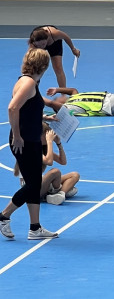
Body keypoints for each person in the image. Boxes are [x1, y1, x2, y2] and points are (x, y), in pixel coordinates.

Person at [0, 48, 59, 240]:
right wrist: (17, 136)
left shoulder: (28, 81)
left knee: (33, 183)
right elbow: (12, 108)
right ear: (44, 65)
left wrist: (45, 116)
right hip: (23, 141)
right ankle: (4, 215)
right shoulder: (28, 82)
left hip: (31, 139)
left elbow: (26, 109)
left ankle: (35, 228)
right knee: (33, 184)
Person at [14, 123, 80, 206]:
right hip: (31, 188)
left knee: (74, 175)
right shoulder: (30, 148)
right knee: (55, 172)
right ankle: (58, 190)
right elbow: (49, 162)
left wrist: (58, 143)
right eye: (46, 135)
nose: (49, 137)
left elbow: (63, 162)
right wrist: (49, 141)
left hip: (40, 182)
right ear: (39, 136)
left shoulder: (41, 149)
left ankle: (60, 194)